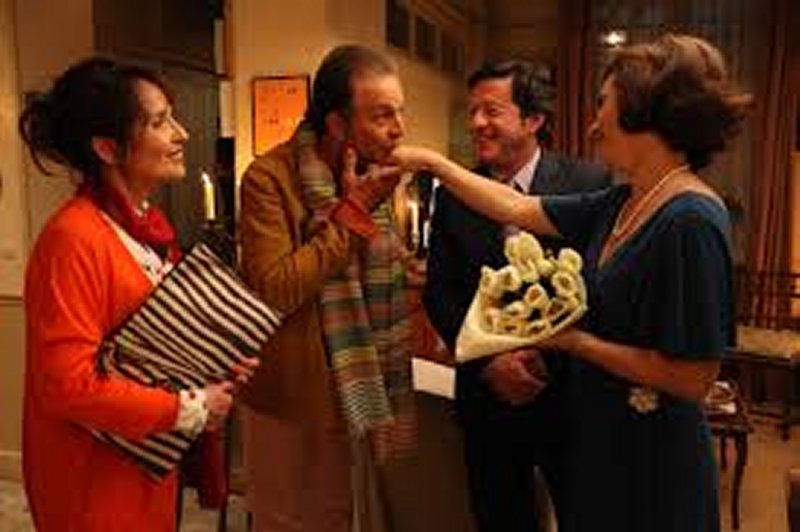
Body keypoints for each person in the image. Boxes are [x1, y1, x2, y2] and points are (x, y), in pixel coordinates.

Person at [394, 33, 749, 532]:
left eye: (603, 103)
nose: (592, 124)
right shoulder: (624, 201)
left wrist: (575, 342)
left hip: (649, 456)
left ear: (642, 112)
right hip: (600, 439)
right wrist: (431, 163)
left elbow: (694, 379)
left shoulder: (691, 218)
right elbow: (515, 206)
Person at [20, 58, 254, 531]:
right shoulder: (73, 238)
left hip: (142, 463)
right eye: (160, 121)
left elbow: (154, 348)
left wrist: (217, 363)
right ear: (107, 148)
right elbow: (67, 386)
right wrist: (190, 406)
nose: (182, 133)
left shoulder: (144, 232)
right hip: (95, 478)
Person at [422, 59, 610, 531]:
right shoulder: (453, 195)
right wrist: (490, 362)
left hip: (568, 397)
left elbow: (601, 287)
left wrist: (547, 358)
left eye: (491, 111)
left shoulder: (588, 184)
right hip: (487, 399)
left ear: (533, 120)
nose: (476, 123)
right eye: (472, 112)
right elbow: (441, 293)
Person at [239, 44, 414, 531]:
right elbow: (275, 288)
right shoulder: (268, 178)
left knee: (344, 517)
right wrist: (352, 214)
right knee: (287, 521)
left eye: (399, 112)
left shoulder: (374, 179)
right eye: (382, 115)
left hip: (359, 388)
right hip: (292, 398)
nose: (398, 129)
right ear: (337, 123)